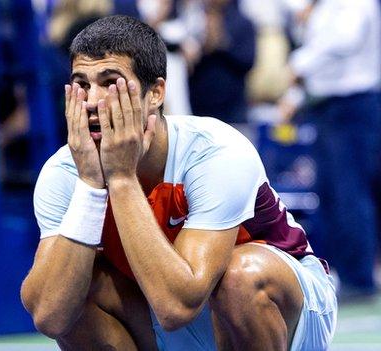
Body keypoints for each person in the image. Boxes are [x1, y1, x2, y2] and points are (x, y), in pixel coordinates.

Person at [21, 15, 336, 350]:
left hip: (289, 314)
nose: (92, 102)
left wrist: (122, 178)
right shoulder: (64, 173)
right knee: (74, 291)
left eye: (110, 82)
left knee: (241, 276)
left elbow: (177, 306)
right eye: (81, 84)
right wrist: (90, 184)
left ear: (155, 92)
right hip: (170, 309)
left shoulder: (215, 151)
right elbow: (49, 315)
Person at [278, 0, 381, 299]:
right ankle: (338, 273)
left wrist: (297, 64)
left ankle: (359, 278)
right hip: (325, 106)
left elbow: (343, 40)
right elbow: (319, 60)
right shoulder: (322, 7)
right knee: (330, 192)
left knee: (351, 192)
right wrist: (294, 96)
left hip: (353, 106)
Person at [187, 0, 255, 124]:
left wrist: (222, 43)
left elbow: (248, 61)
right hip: (200, 105)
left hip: (232, 108)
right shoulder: (195, 21)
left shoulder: (242, 23)